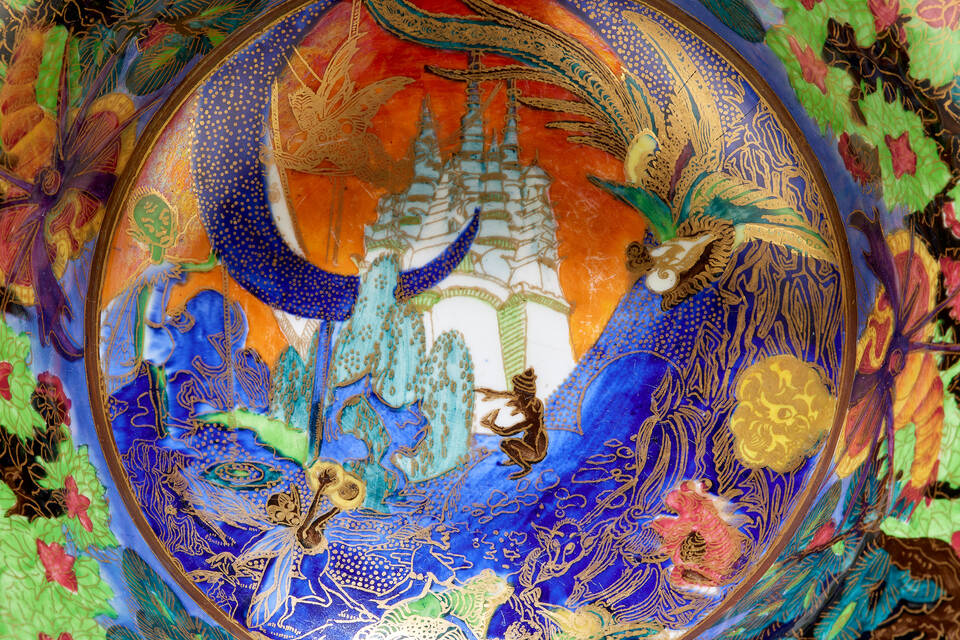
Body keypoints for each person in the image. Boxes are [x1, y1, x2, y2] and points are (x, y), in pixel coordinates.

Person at [475, 368, 547, 480]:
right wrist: (494, 394)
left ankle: (526, 467)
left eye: (518, 395)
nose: (515, 396)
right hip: (536, 444)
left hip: (535, 452)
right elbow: (513, 395)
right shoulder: (535, 403)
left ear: (523, 397)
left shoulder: (531, 420)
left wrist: (491, 425)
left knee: (506, 444)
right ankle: (517, 457)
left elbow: (505, 432)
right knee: (519, 441)